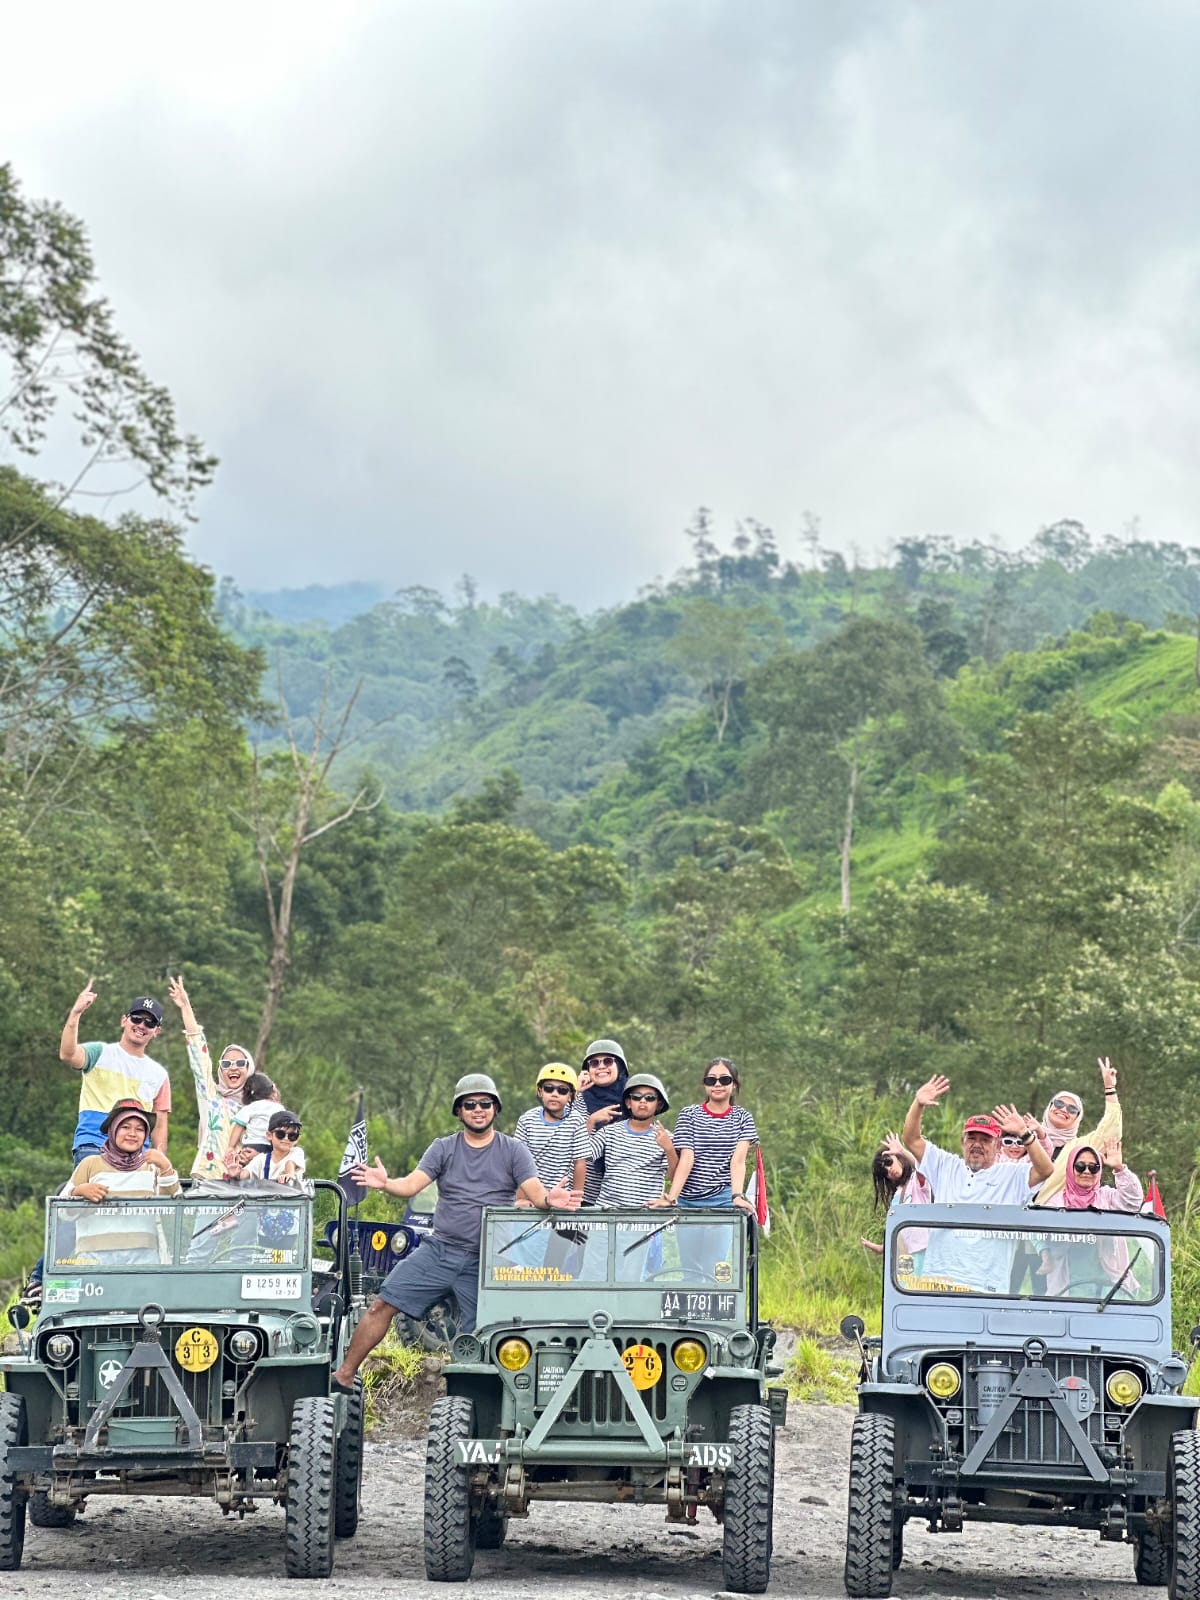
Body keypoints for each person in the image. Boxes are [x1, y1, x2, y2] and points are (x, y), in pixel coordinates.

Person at [330, 1074, 581, 1390]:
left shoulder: (513, 1150)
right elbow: (411, 1185)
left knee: (495, 1336)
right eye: (470, 1104)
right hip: (441, 1250)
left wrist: (549, 1199)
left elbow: (536, 1193)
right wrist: (386, 1183)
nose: (478, 1109)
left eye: (485, 1103)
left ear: (495, 1108)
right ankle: (345, 1375)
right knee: (381, 1304)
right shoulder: (443, 1148)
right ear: (459, 1111)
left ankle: (487, 1405)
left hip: (489, 1261)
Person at [902, 1077, 1054, 1294]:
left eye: (985, 1140)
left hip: (986, 1287)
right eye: (971, 1138)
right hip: (939, 1281)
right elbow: (911, 1139)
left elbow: (1046, 1170)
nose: (977, 1145)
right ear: (963, 1142)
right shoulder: (946, 1166)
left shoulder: (1012, 1175)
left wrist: (1025, 1134)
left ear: (997, 1145)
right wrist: (918, 1104)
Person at [59, 981, 171, 1162]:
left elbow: (159, 1127)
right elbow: (67, 1054)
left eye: (150, 1022)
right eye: (136, 1018)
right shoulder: (99, 1052)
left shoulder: (159, 1074)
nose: (142, 1025)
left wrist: (159, 1162)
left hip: (137, 1156)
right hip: (95, 1147)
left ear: (156, 1031)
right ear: (124, 1020)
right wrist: (75, 1014)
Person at [64, 1100, 180, 1264]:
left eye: (140, 1129)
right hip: (94, 1258)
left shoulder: (152, 1166)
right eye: (125, 1127)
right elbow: (63, 1212)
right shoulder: (90, 1163)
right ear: (113, 1130)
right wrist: (79, 1192)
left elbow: (174, 1210)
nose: (133, 1133)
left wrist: (166, 1167)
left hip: (143, 1258)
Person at [166, 975, 255, 1179]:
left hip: (247, 1184)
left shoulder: (257, 1106)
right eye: (226, 1064)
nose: (233, 1068)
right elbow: (200, 1057)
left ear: (249, 1069)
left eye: (240, 1063)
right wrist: (185, 1007)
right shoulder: (212, 1097)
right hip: (210, 1180)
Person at [1036, 1139, 1144, 1297]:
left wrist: (1119, 1169)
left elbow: (1133, 1202)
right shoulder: (1055, 1202)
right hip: (1067, 1288)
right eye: (1080, 1166)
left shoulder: (1107, 1197)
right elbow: (1040, 1232)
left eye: (1093, 1167)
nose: (1087, 1171)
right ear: (1070, 1168)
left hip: (1111, 1285)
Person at [1032, 1056, 1124, 1207]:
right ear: (1049, 1107)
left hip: (1051, 1219)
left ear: (1077, 1118)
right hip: (1013, 1219)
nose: (1063, 1109)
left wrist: (1109, 1088)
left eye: (1072, 1109)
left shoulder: (1079, 1148)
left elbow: (1110, 1133)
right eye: (1059, 1103)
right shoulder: (1026, 1137)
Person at [513, 1064, 590, 1195]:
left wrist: (577, 1197)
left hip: (563, 1194)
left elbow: (580, 1163)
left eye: (562, 1090)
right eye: (549, 1088)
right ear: (540, 1091)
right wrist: (521, 1198)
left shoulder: (576, 1121)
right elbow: (519, 1162)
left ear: (571, 1095)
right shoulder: (527, 1120)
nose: (555, 1094)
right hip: (530, 1193)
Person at [861, 1132, 931, 1274]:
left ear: (898, 1158)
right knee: (905, 1293)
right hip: (904, 1255)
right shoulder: (897, 1194)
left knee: (921, 1292)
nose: (889, 1170)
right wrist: (882, 1248)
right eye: (884, 1171)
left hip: (924, 1251)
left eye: (889, 1162)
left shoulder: (916, 1183)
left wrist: (902, 1151)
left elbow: (922, 1166)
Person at [578, 1038, 629, 1204]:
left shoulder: (634, 1097)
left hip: (623, 1194)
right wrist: (591, 1121)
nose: (601, 1067)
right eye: (594, 1063)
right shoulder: (579, 1099)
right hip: (583, 1193)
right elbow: (566, 1145)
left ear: (619, 1067)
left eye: (608, 1061)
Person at [224, 1073, 282, 1172]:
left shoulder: (251, 1107)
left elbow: (239, 1127)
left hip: (252, 1146)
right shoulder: (279, 1108)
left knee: (246, 1173)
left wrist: (231, 1147)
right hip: (271, 1147)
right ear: (271, 1090)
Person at [242, 1110, 308, 1186]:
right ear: (269, 1135)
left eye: (292, 1135)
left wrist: (289, 1174)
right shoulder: (260, 1159)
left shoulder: (297, 1152)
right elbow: (244, 1174)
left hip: (290, 1196)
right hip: (266, 1196)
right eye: (280, 1134)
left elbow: (290, 1163)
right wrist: (236, 1172)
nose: (286, 1138)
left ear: (297, 1139)